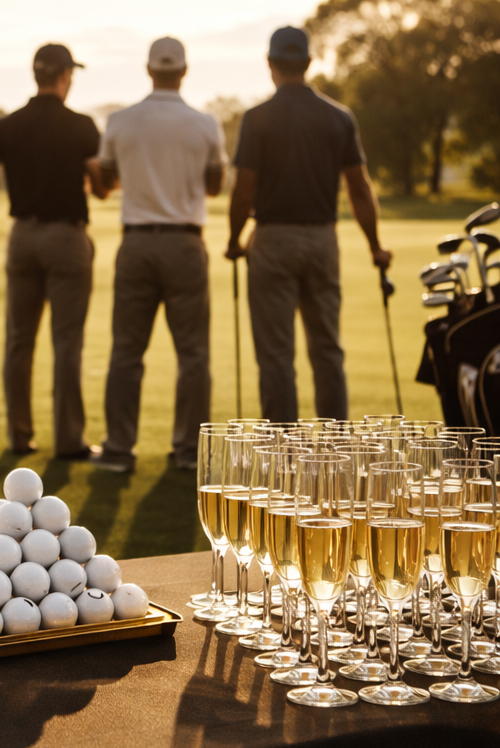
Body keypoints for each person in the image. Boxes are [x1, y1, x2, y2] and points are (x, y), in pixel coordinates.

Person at [226, 25, 392, 423]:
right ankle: (333, 452)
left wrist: (234, 239)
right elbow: (359, 188)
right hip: (322, 240)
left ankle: (283, 456)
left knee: (276, 354)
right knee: (327, 349)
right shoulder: (338, 116)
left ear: (270, 64)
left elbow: (244, 191)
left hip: (271, 239)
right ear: (308, 63)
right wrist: (374, 246)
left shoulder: (257, 118)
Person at [0, 43, 104, 457]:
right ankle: (69, 440)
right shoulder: (82, 126)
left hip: (21, 238)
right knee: (67, 342)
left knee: (19, 342)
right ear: (64, 76)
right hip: (67, 239)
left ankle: (20, 437)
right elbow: (101, 186)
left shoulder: (5, 126)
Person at [90, 37, 226, 473]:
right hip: (185, 243)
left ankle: (118, 451)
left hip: (137, 243)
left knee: (127, 350)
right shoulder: (205, 123)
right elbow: (214, 186)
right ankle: (189, 451)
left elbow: (108, 181)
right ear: (184, 72)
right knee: (194, 354)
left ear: (148, 71)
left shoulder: (120, 121)